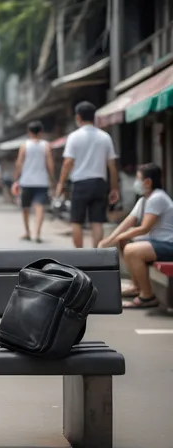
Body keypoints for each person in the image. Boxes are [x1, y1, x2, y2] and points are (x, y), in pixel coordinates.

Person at [98, 163, 173, 309]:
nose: (136, 183)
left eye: (138, 179)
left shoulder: (157, 198)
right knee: (125, 242)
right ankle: (136, 286)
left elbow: (144, 228)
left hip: (169, 244)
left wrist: (120, 237)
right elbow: (126, 223)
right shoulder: (144, 200)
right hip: (157, 242)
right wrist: (107, 241)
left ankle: (147, 296)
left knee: (132, 250)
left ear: (148, 181)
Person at [55, 101, 120, 248]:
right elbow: (112, 166)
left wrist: (61, 183)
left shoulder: (74, 137)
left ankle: (80, 255)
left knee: (76, 221)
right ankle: (95, 254)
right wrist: (114, 188)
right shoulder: (105, 137)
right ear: (94, 117)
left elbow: (67, 163)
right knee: (97, 221)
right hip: (99, 183)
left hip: (80, 183)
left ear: (78, 117)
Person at [12, 120, 55, 243]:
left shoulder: (24, 145)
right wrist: (52, 179)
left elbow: (19, 163)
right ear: (41, 132)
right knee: (39, 207)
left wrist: (16, 178)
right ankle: (38, 233)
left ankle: (27, 232)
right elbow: (50, 164)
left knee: (25, 207)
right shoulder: (46, 145)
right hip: (42, 182)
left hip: (26, 181)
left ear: (29, 132)